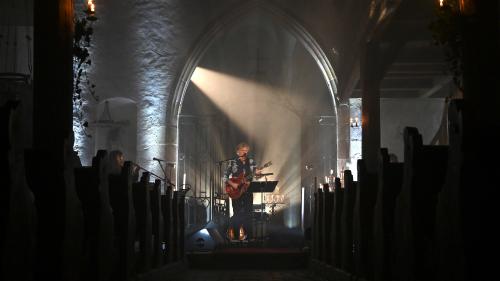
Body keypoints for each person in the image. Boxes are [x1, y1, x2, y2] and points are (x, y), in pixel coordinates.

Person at [223, 142, 262, 239]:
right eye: (243, 150)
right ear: (237, 152)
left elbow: (256, 177)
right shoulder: (232, 162)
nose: (245, 152)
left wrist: (258, 174)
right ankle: (236, 237)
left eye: (246, 151)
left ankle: (249, 237)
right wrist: (233, 184)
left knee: (248, 213)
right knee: (237, 213)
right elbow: (224, 177)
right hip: (235, 191)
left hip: (248, 190)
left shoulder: (251, 161)